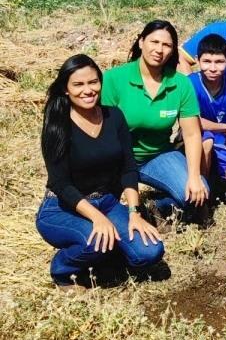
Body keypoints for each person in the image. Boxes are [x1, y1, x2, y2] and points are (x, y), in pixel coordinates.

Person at [37, 54, 164, 288]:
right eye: (78, 84)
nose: (88, 90)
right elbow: (60, 183)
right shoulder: (57, 123)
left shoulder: (113, 116)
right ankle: (62, 269)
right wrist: (98, 219)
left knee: (150, 252)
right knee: (94, 242)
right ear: (66, 89)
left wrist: (135, 213)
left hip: (106, 201)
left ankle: (109, 255)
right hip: (63, 207)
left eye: (93, 82)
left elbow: (128, 168)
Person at [102, 20, 209, 216]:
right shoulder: (114, 79)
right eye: (154, 42)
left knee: (199, 193)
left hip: (157, 155)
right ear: (141, 42)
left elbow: (192, 134)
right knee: (102, 207)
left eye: (166, 45)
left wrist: (194, 177)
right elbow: (102, 130)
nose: (159, 50)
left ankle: (156, 207)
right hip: (117, 158)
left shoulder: (180, 83)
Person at [188, 34, 226, 191]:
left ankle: (216, 181)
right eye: (207, 62)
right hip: (193, 139)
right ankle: (203, 191)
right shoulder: (189, 84)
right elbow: (191, 121)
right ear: (197, 60)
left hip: (223, 144)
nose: (213, 68)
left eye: (219, 62)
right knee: (206, 141)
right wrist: (222, 127)